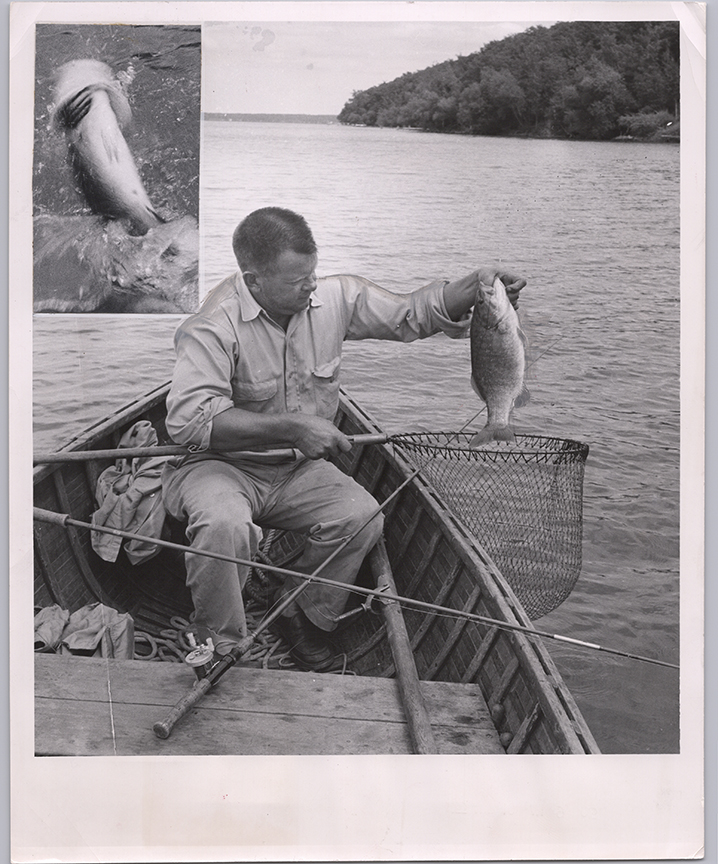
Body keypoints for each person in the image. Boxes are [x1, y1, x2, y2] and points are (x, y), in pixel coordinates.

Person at [162, 207, 526, 671]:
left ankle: (301, 614)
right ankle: (221, 641)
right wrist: (295, 426)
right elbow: (189, 422)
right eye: (298, 281)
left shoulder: (334, 298)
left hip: (294, 469)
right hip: (218, 467)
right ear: (253, 281)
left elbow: (411, 314)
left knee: (360, 516)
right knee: (223, 525)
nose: (312, 286)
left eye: (313, 273)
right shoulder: (211, 326)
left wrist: (476, 283)